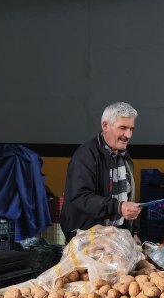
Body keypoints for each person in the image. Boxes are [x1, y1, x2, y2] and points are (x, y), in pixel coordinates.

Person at [60, 102, 141, 239]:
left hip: (115, 237)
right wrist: (118, 207)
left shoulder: (124, 157)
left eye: (131, 129)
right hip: (86, 237)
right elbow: (81, 197)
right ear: (105, 126)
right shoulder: (85, 156)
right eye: (122, 128)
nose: (128, 135)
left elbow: (126, 197)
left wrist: (133, 232)